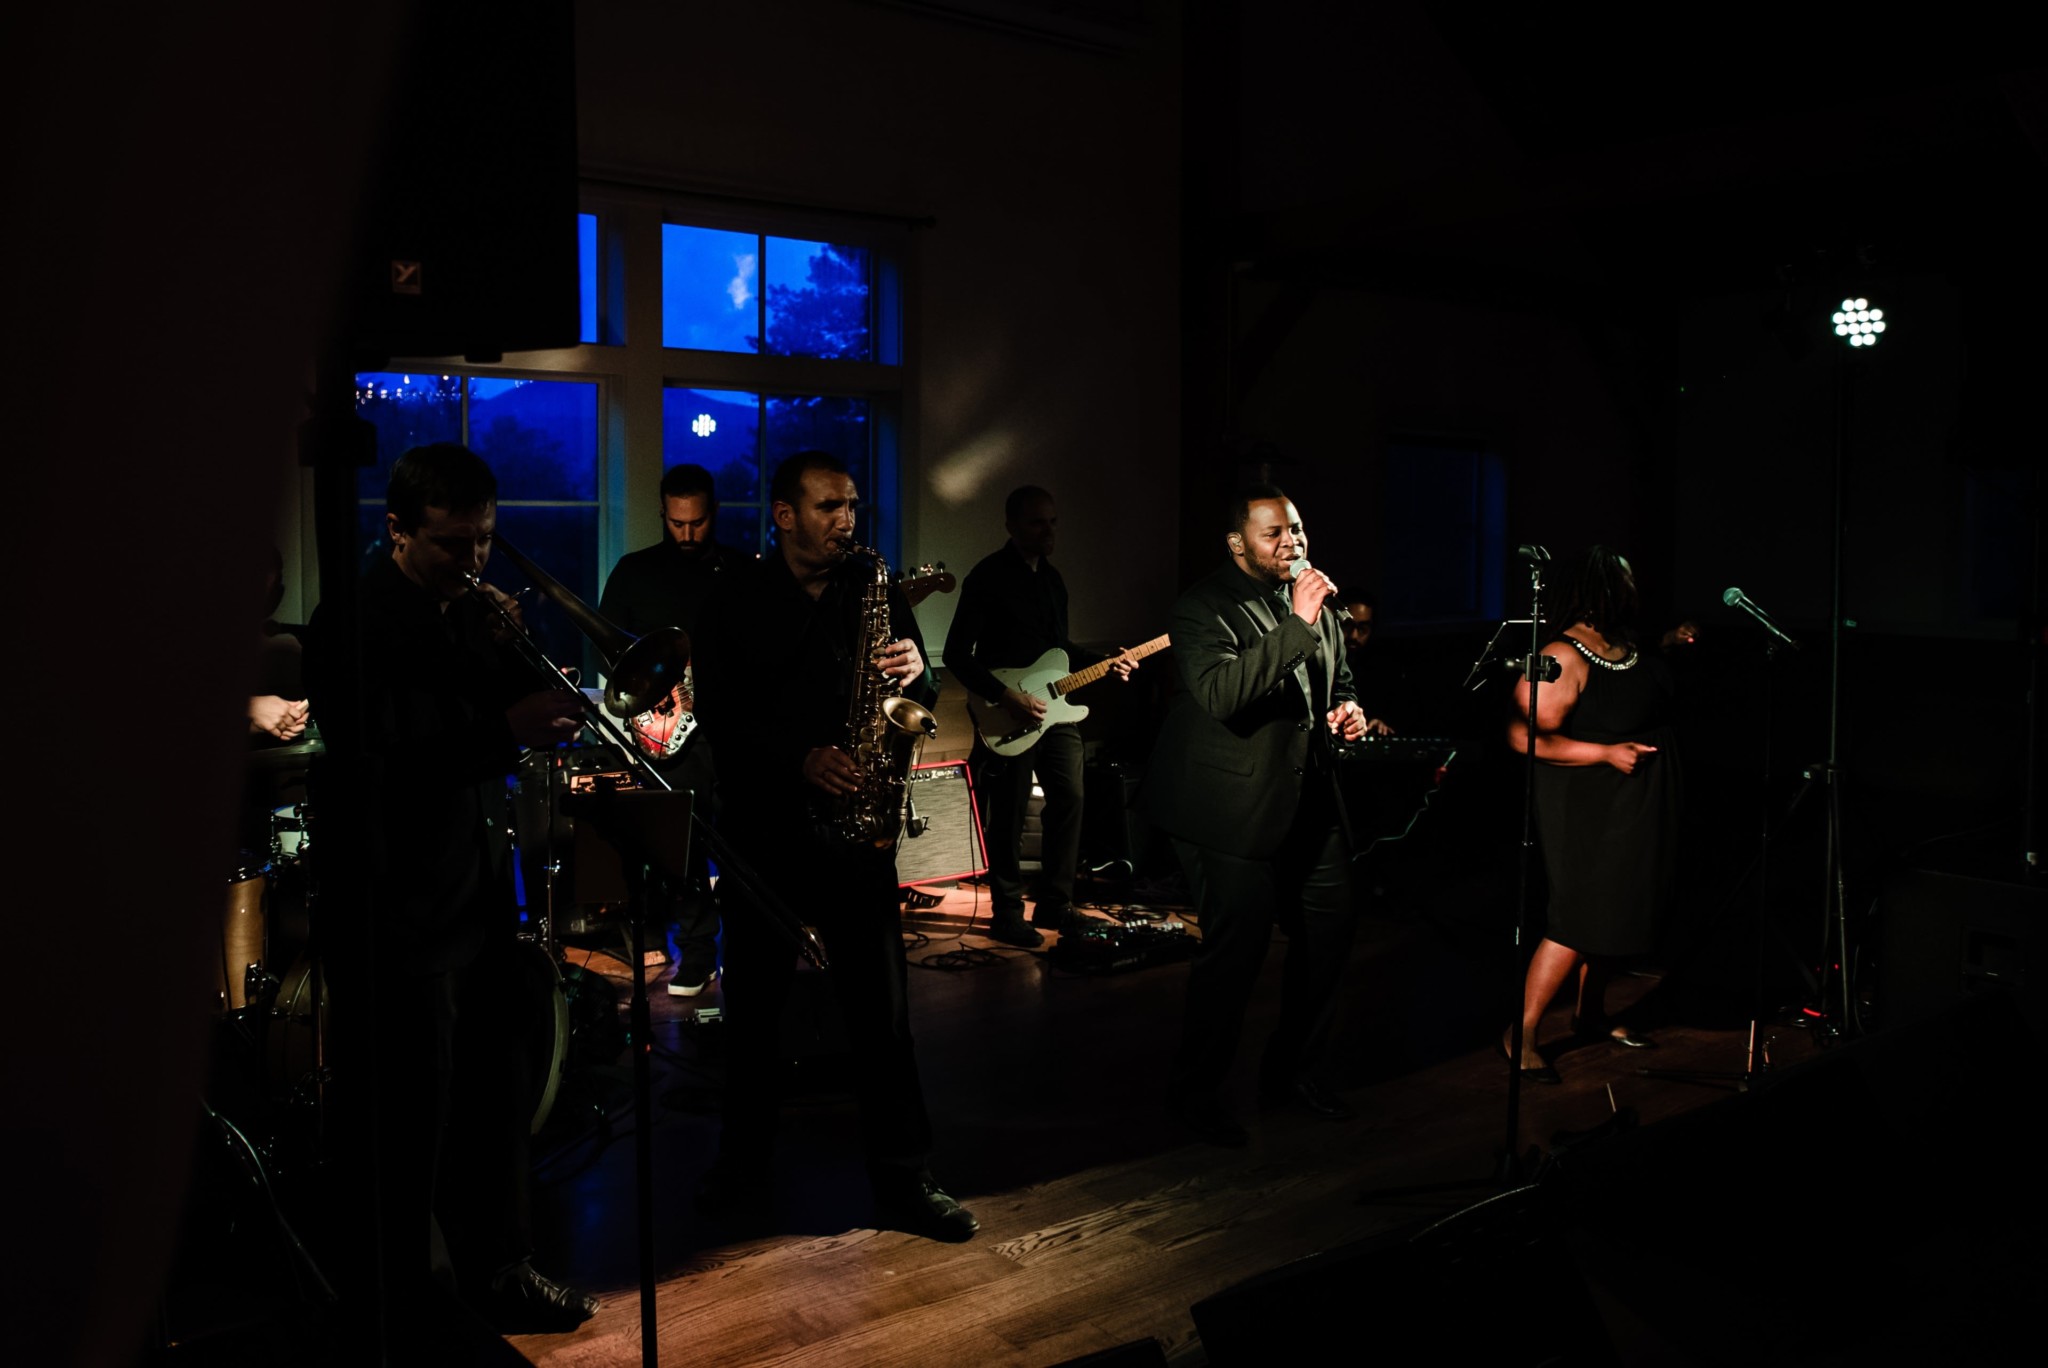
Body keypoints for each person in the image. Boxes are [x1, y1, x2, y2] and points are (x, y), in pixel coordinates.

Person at [306, 444, 597, 1337]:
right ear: (397, 530)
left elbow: (524, 712)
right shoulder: (351, 623)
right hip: (400, 909)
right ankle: (406, 1303)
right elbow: (385, 767)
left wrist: (515, 650)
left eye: (484, 540)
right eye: (451, 543)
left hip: (479, 896)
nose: (472, 560)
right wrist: (505, 729)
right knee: (411, 1121)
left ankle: (502, 1269)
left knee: (494, 1101)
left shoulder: (466, 612)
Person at [691, 449, 977, 1241]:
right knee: (754, 1014)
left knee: (883, 1015)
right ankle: (741, 1168)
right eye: (828, 507)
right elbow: (718, 714)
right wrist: (799, 757)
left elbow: (922, 692)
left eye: (851, 505)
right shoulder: (734, 596)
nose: (846, 521)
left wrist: (918, 673)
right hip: (765, 828)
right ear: (784, 515)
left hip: (858, 831)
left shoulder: (871, 584)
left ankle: (906, 1175)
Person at [1143, 484, 1371, 1146]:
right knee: (1235, 953)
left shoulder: (1315, 598)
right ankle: (1195, 1093)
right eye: (1274, 533)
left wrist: (1348, 710)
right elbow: (1222, 694)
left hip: (1308, 796)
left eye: (1296, 528)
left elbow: (1339, 679)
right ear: (1236, 543)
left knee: (1330, 932)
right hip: (1226, 803)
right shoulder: (1201, 607)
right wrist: (1298, 622)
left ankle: (1293, 1072)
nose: (1291, 542)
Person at [1504, 546, 1695, 1083]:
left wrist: (1668, 644)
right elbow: (1521, 735)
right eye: (1622, 581)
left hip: (1635, 801)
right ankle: (1521, 1032)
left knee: (1621, 910)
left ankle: (1591, 1013)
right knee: (1580, 917)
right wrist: (1605, 754)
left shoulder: (1623, 644)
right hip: (1589, 805)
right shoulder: (1561, 654)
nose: (1633, 589)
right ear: (1596, 590)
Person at [942, 485, 1135, 946]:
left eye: (1052, 522)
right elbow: (955, 654)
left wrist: (1105, 663)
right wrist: (1005, 696)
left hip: (1055, 714)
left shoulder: (1053, 579)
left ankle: (1056, 904)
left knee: (1071, 798)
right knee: (1007, 814)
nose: (1048, 531)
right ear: (1011, 526)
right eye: (1036, 523)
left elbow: (1059, 650)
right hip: (1006, 715)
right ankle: (1007, 913)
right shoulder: (987, 576)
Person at [598, 462, 750, 994]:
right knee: (682, 846)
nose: (687, 534)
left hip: (733, 730)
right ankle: (698, 952)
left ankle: (745, 951)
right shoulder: (633, 572)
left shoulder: (741, 571)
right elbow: (607, 653)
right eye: (677, 522)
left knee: (742, 841)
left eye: (698, 522)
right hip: (667, 736)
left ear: (715, 513)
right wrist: (651, 701)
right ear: (662, 513)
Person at [1339, 591, 1394, 737]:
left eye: (1362, 628)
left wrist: (1379, 720)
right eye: (1347, 626)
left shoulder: (1383, 669)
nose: (1354, 636)